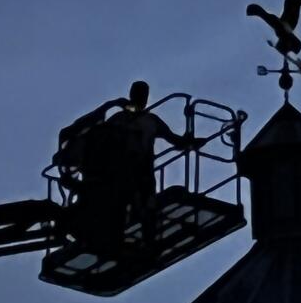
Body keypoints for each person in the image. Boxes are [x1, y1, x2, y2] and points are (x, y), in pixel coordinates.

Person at [55, 82, 204, 253]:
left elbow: (175, 140)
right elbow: (98, 139)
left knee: (147, 207)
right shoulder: (118, 119)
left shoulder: (151, 121)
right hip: (121, 173)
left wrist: (191, 141)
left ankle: (149, 243)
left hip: (142, 172)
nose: (141, 99)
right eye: (138, 95)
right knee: (123, 206)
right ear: (131, 95)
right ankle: (120, 241)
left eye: (143, 95)